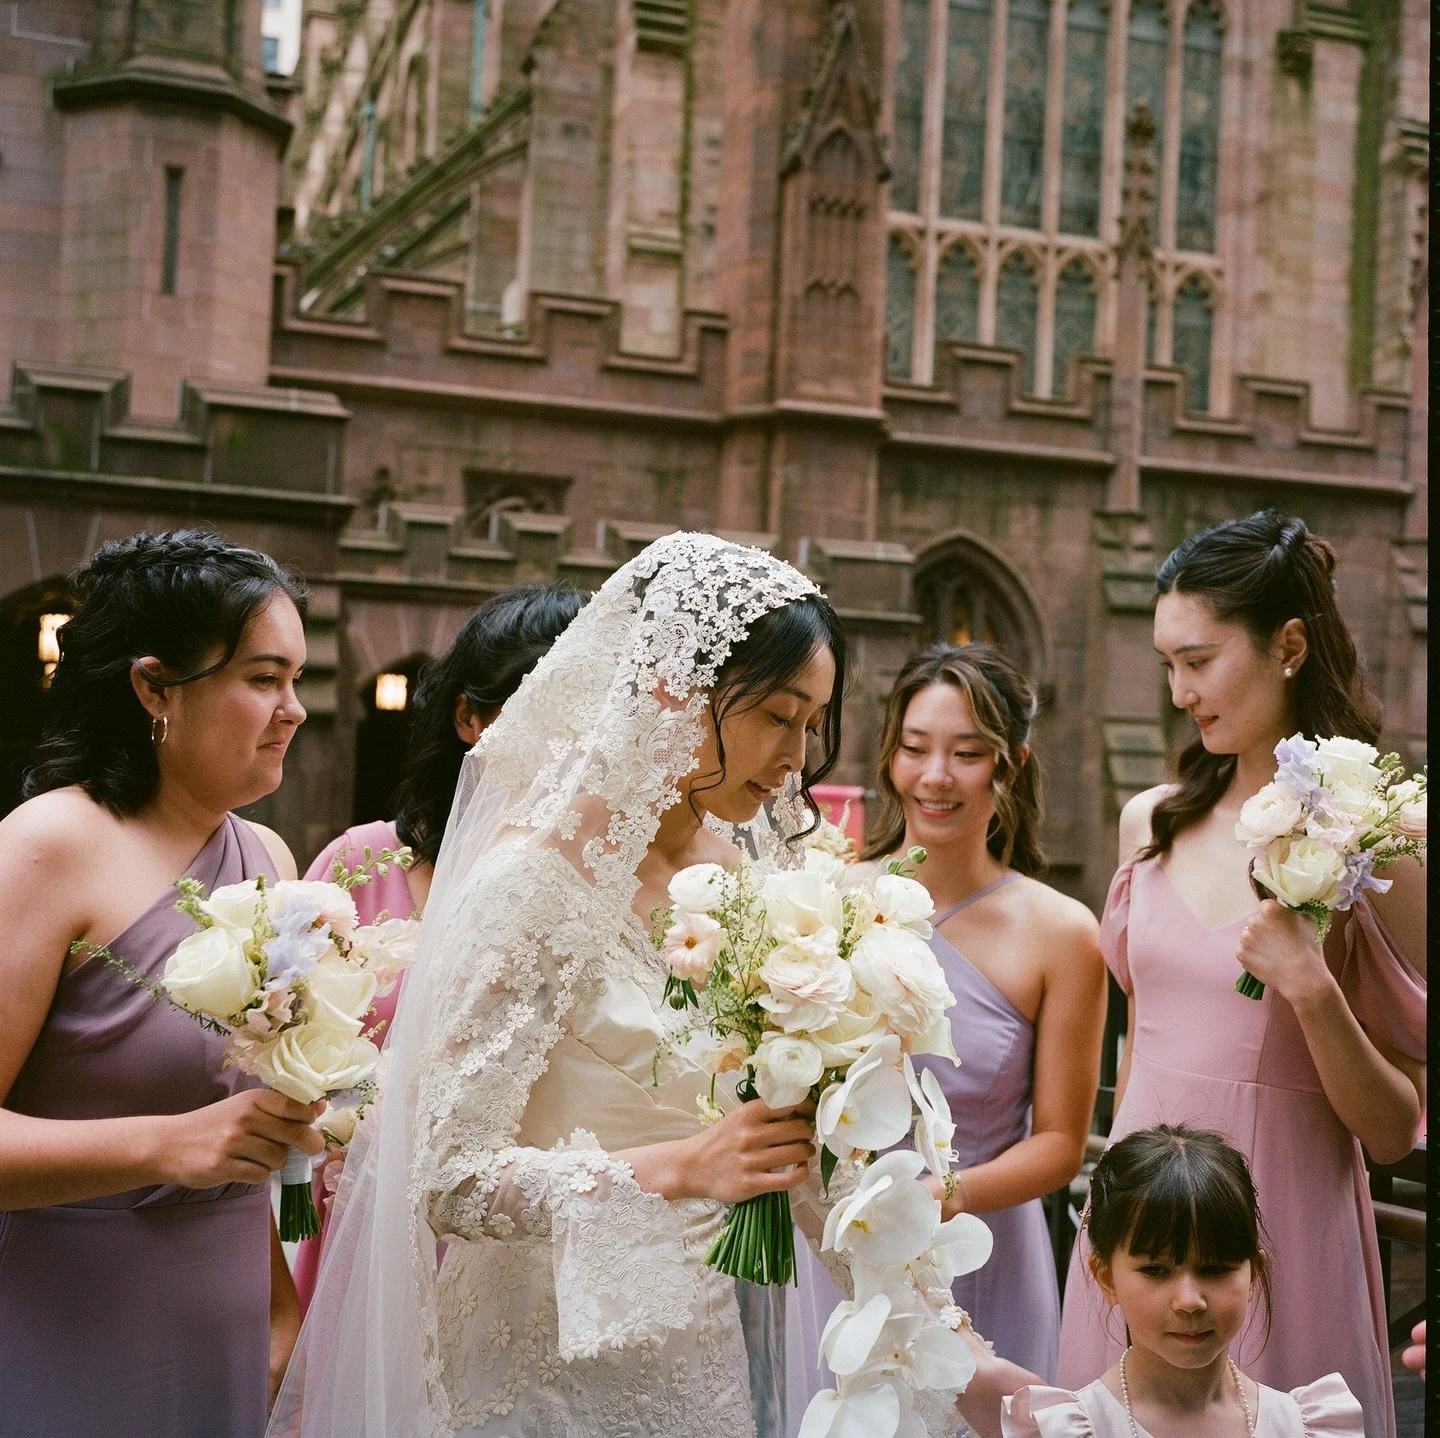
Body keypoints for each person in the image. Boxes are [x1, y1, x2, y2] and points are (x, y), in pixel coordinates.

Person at [273, 533, 968, 1438]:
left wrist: (952, 1343)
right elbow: (444, 1178)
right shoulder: (531, 883)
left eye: (813, 723)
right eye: (778, 716)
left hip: (703, 1365)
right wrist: (678, 1168)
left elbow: (797, 1153)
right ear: (678, 691)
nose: (800, 756)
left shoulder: (757, 883)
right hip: (536, 1376)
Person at [1056, 511, 1426, 1438]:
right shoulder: (1151, 823)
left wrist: (1310, 987)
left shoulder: (1385, 838)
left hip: (1279, 1224)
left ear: (1289, 645)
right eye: (1167, 665)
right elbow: (1139, 1046)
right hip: (1137, 1215)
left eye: (1200, 660)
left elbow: (1392, 1129)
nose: (1180, 690)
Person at [0, 530, 327, 1437]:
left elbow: (239, 1126)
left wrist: (277, 1309)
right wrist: (161, 1146)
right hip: (74, 1326)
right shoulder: (47, 846)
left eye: (297, 680)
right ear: (154, 687)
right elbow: (191, 1136)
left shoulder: (266, 856)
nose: (293, 709)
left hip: (228, 1321)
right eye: (262, 679)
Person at [786, 645, 1105, 1420]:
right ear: (891, 755)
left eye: (967, 754)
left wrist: (938, 1196)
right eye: (916, 748)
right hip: (840, 1243)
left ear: (1011, 764)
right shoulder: (828, 900)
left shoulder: (1062, 932)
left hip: (983, 1243)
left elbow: (1062, 1142)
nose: (937, 776)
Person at [291, 583, 582, 1311]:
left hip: (524, 1264)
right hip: (359, 1242)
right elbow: (280, 1059)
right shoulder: (359, 868)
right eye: (543, 710)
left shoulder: (601, 897)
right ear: (469, 716)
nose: (569, 745)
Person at [975, 1125, 1364, 1436]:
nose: (1189, 1300)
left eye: (1215, 1269)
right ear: (1106, 1278)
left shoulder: (1304, 1424)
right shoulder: (1070, 1428)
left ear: (1252, 1274)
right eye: (1156, 1271)